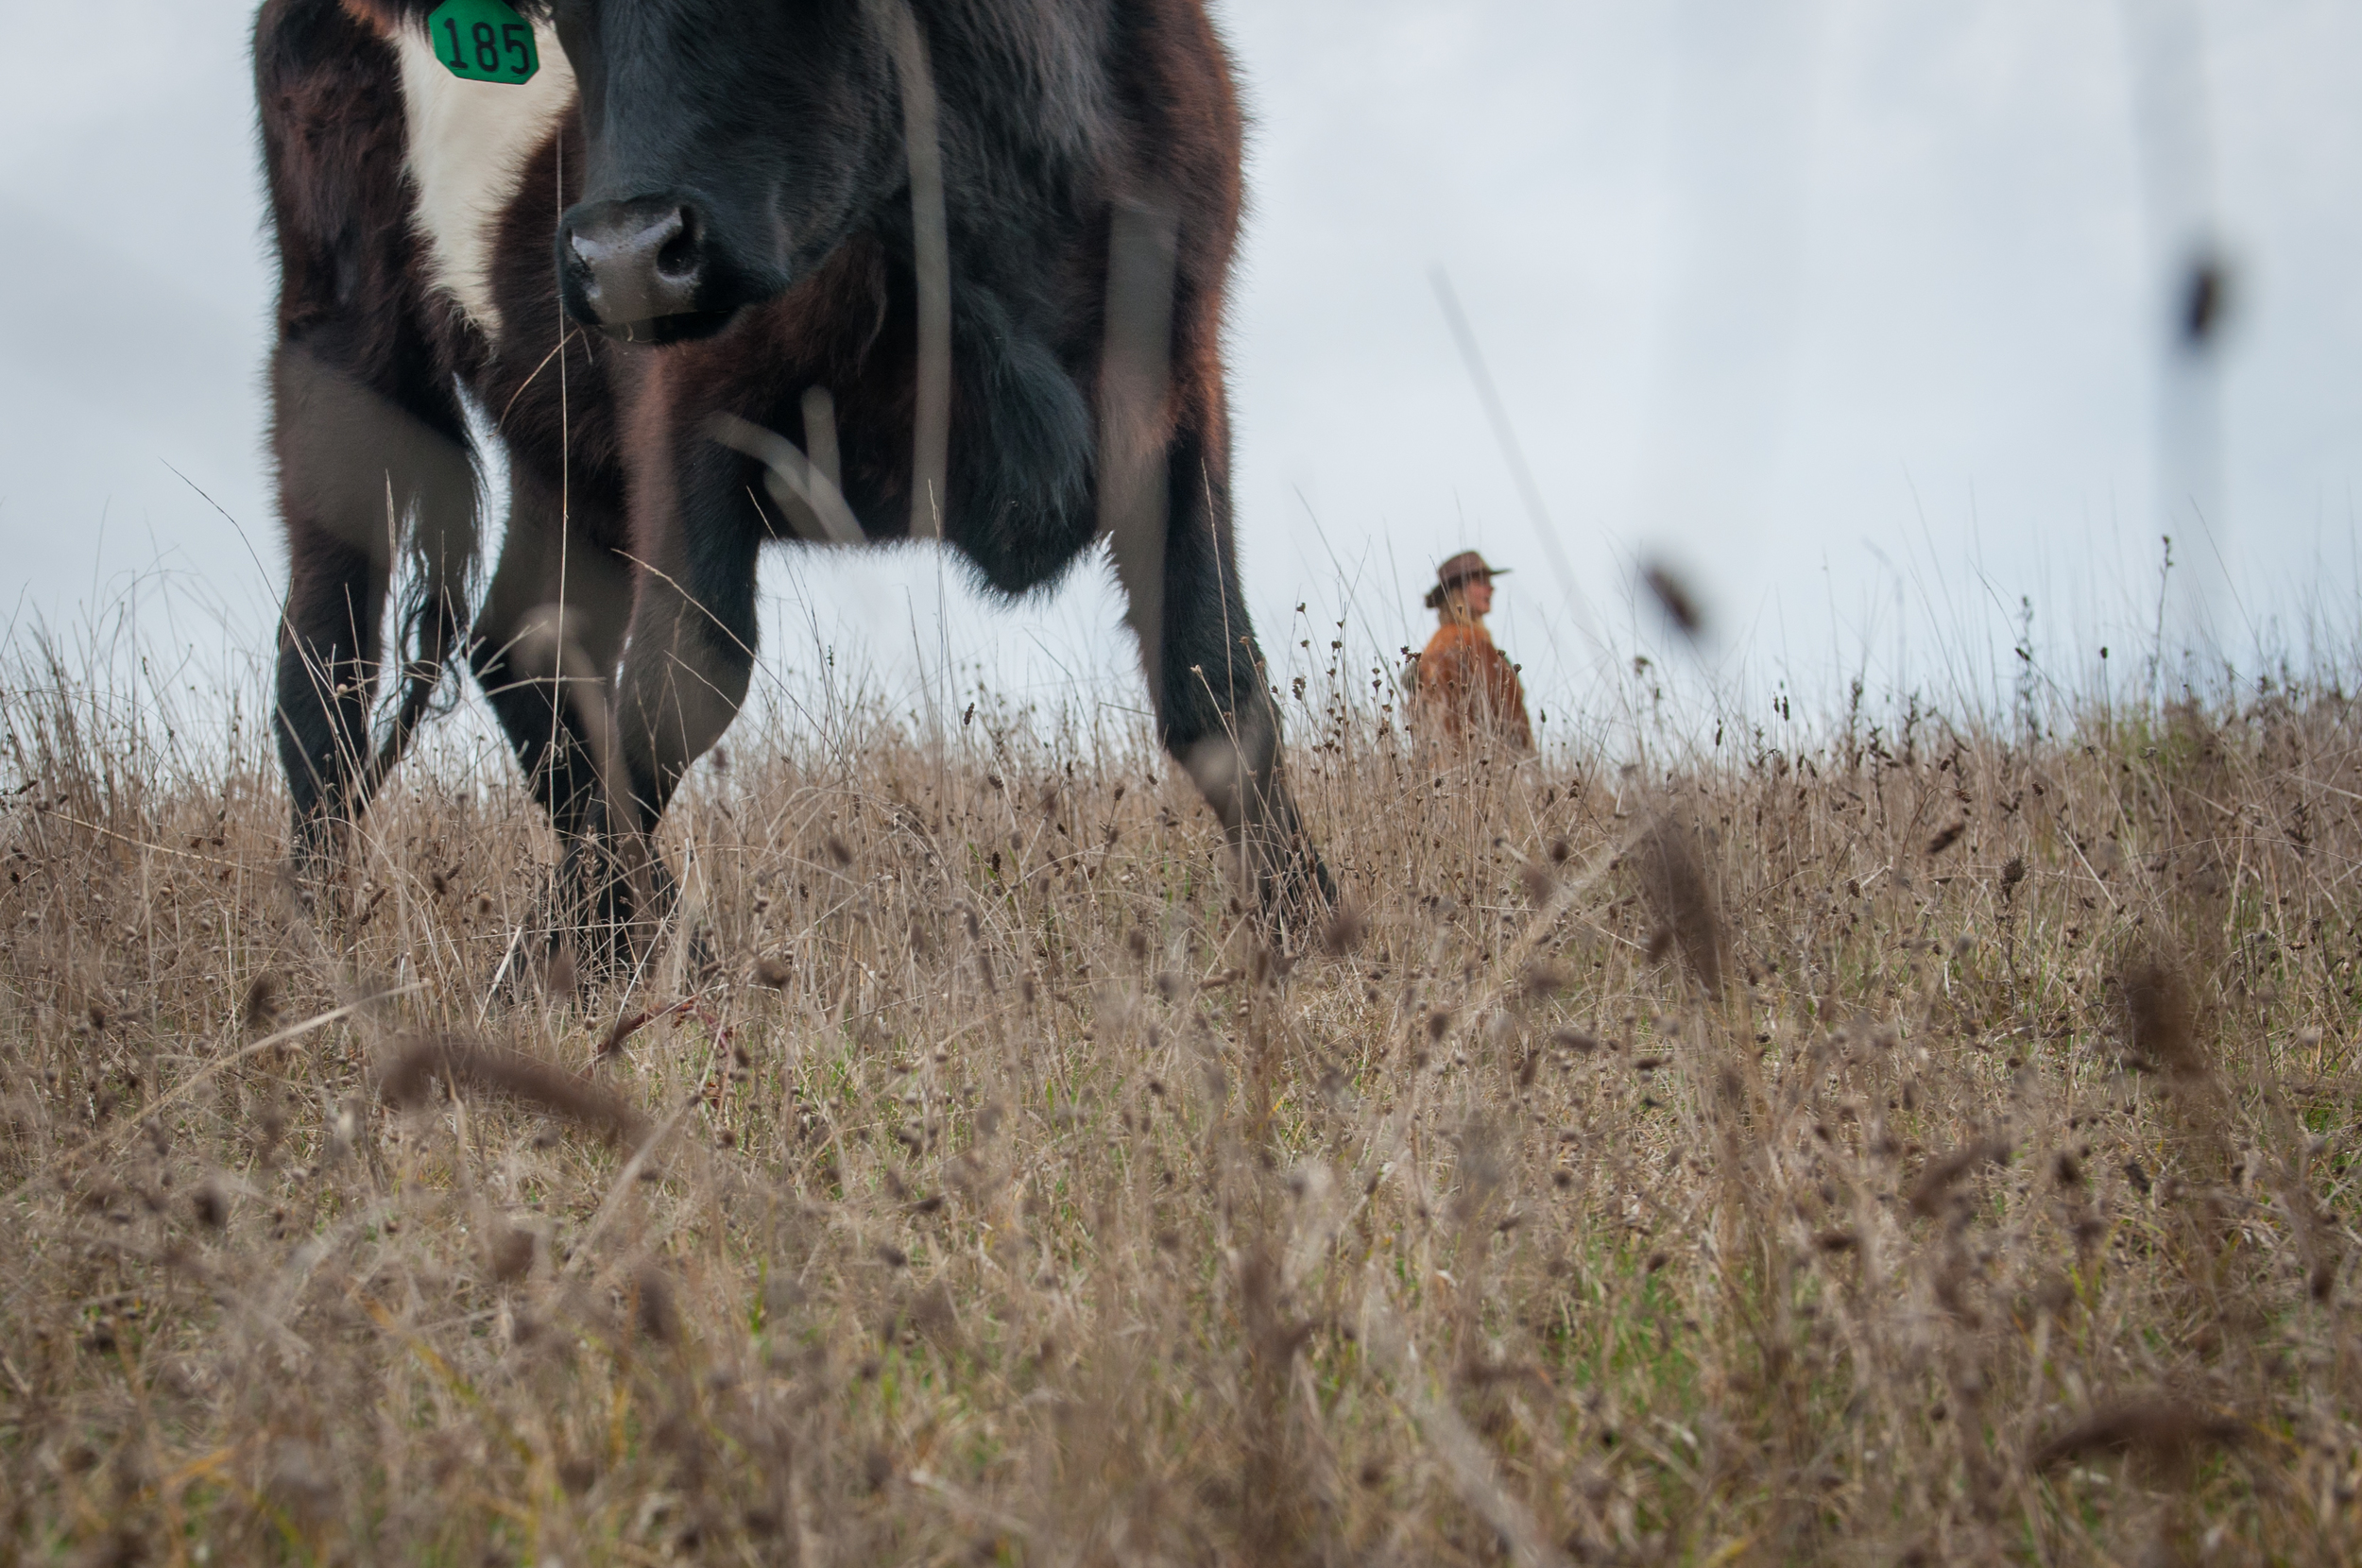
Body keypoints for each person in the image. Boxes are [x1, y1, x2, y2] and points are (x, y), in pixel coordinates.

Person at [1410, 551, 1532, 753]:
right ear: (1459, 590)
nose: (1491, 588)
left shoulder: (1437, 642)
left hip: (1444, 762)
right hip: (1477, 759)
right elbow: (1505, 711)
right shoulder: (1469, 641)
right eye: (1481, 581)